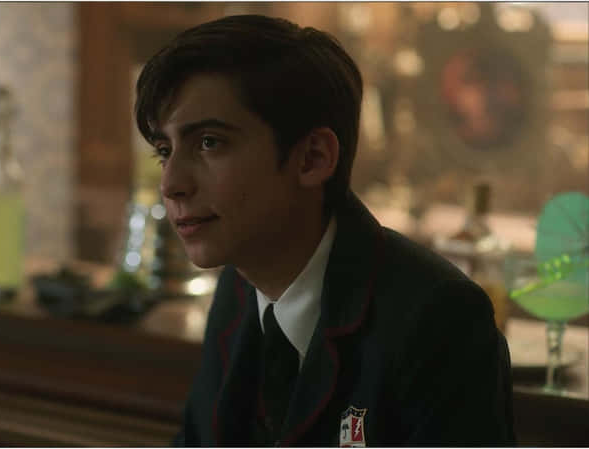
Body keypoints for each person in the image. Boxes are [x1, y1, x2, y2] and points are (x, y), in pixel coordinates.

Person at [133, 15, 515, 446]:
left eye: (209, 142)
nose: (170, 184)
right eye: (164, 150)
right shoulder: (236, 293)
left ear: (313, 158)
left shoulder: (437, 319)